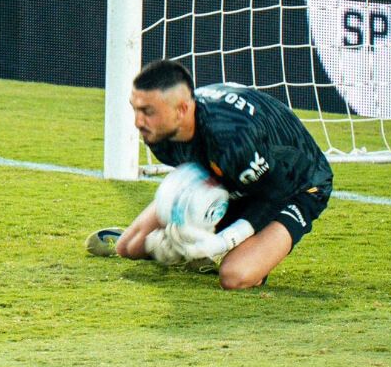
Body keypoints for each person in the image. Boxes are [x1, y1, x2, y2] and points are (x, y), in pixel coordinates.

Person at [88, 60, 333, 290]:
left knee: (234, 276)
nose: (138, 122)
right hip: (230, 176)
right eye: (136, 109)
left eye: (148, 111)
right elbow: (202, 174)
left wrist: (223, 241)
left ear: (182, 109)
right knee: (128, 247)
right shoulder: (159, 134)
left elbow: (275, 192)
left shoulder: (233, 136)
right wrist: (188, 217)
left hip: (295, 186)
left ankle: (250, 253)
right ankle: (191, 243)